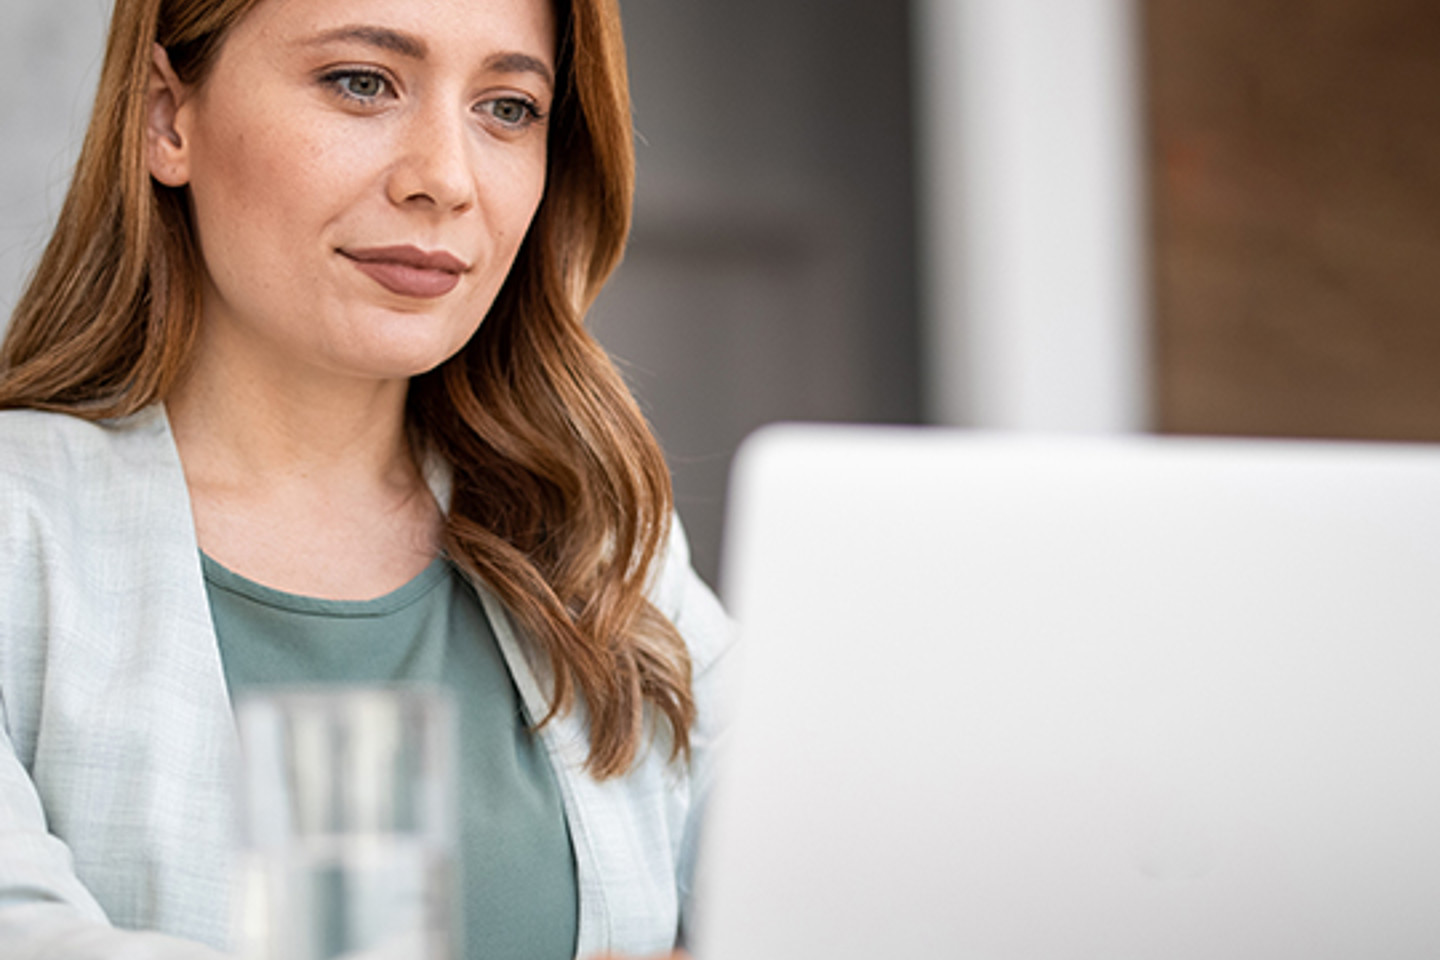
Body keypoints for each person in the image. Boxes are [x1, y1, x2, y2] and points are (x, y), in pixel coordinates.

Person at [0, 0, 731, 956]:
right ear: (165, 117)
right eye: (361, 82)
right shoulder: (23, 531)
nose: (444, 179)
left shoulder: (595, 541)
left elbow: (817, 883)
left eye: (509, 108)